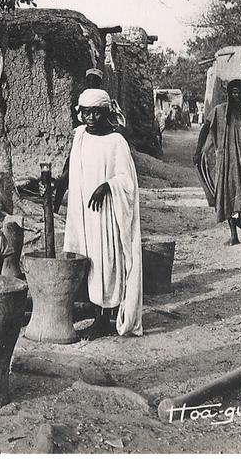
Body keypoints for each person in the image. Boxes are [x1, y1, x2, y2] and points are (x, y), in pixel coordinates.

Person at [52, 88, 142, 340]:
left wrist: (107, 186)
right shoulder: (79, 136)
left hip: (105, 214)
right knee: (86, 260)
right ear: (80, 113)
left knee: (106, 262)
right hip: (82, 213)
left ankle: (104, 318)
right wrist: (57, 189)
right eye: (86, 112)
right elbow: (71, 169)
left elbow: (127, 181)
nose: (91, 117)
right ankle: (94, 312)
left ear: (105, 113)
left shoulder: (116, 142)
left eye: (96, 113)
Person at [193, 79, 241, 246]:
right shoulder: (219, 111)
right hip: (227, 162)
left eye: (240, 92)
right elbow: (205, 128)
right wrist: (199, 151)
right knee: (227, 196)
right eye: (233, 92)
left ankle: (240, 221)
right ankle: (234, 234)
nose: (237, 96)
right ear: (229, 94)